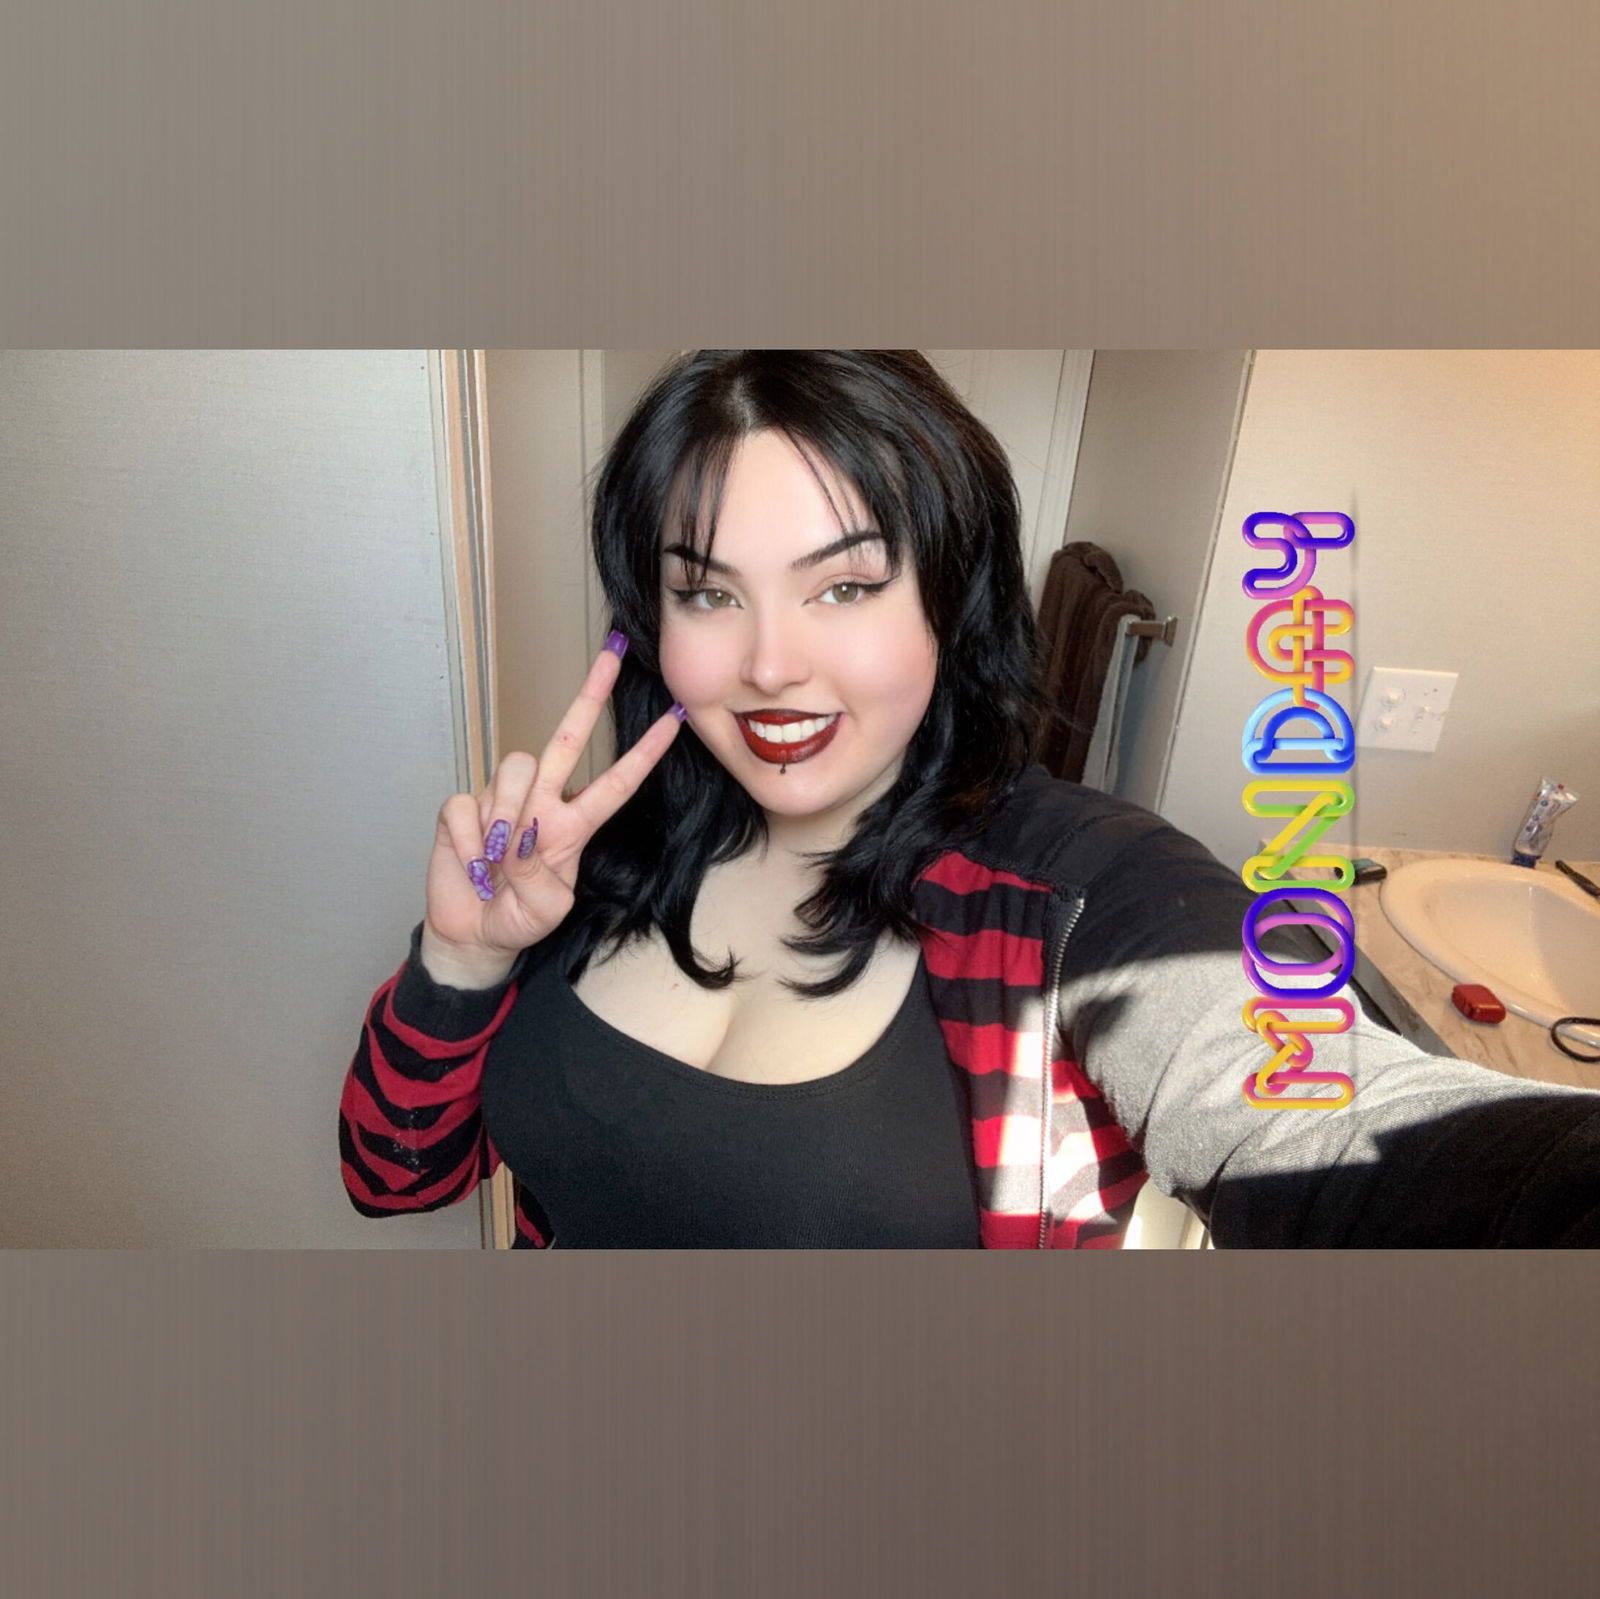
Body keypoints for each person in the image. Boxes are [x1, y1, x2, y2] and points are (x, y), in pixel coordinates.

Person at [339, 350, 1600, 1248]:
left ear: (949, 600)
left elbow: (1337, 1127)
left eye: (844, 587)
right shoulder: (591, 854)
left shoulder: (1080, 893)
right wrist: (462, 958)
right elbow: (394, 1178)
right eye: (709, 592)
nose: (769, 663)